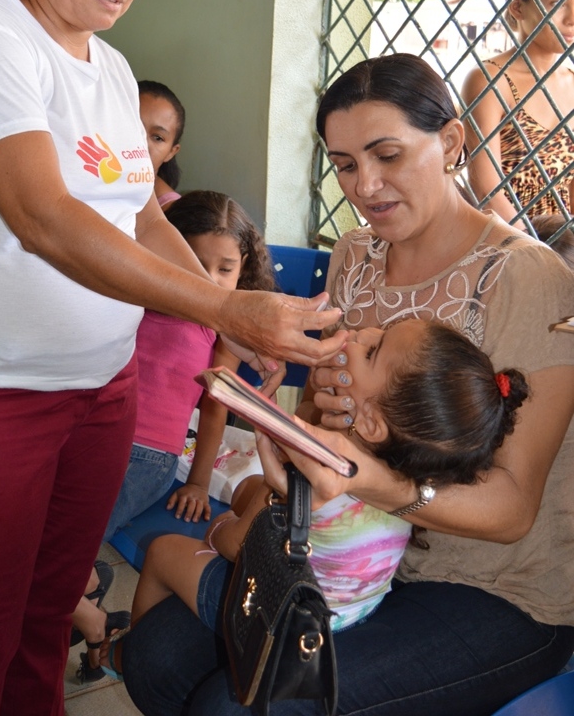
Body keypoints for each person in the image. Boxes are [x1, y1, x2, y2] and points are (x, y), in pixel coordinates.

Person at [0, 0, 347, 716]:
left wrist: (223, 329)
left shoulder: (105, 66)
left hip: (99, 391)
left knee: (43, 614)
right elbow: (45, 218)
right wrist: (226, 304)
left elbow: (139, 216)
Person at [123, 53, 574, 716]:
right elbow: (330, 413)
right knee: (155, 654)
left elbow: (510, 513)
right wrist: (301, 431)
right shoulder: (354, 256)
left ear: (450, 143)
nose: (364, 185)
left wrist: (357, 474)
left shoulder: (523, 277)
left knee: (237, 704)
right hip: (355, 559)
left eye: (386, 155)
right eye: (343, 164)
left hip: (493, 591)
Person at [101, 318, 528, 682]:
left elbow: (234, 546)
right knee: (250, 492)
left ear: (373, 422)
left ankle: (127, 652)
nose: (362, 333)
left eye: (373, 349)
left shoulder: (319, 485)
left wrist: (217, 529)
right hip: (349, 611)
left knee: (163, 551)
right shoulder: (404, 477)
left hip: (276, 616)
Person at [75, 190, 277, 683]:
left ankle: (90, 616)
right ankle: (87, 603)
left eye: (224, 268)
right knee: (51, 547)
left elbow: (214, 408)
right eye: (190, 260)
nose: (205, 280)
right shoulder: (136, 298)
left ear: (243, 268)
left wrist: (197, 481)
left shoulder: (219, 327)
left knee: (49, 557)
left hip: (145, 459)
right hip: (91, 436)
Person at [463, 0, 574, 222]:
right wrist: (536, 253)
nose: (572, 19)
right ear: (517, 6)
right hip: (510, 242)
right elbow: (486, 190)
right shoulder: (490, 80)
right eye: (557, 4)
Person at [138, 79, 185, 209]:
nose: (142, 142)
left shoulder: (171, 210)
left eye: (158, 138)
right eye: (136, 127)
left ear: (171, 152)